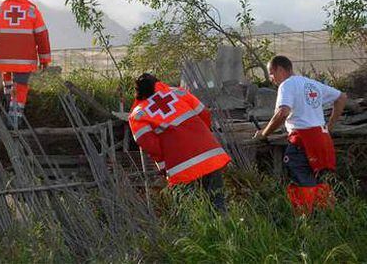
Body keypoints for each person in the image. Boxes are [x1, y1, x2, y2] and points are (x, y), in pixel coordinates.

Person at [254, 55, 347, 214]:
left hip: (303, 142)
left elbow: (282, 112)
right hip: (323, 140)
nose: (271, 78)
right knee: (320, 181)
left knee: (302, 182)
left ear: (280, 69)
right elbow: (342, 97)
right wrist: (329, 126)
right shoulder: (311, 84)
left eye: (271, 73)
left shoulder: (287, 85)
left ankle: (305, 221)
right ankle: (326, 218)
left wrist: (264, 133)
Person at [128, 73, 231, 213]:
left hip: (180, 165)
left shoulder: (138, 114)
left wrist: (164, 164)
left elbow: (149, 144)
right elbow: (204, 113)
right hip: (208, 155)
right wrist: (201, 135)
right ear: (158, 82)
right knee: (217, 202)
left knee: (190, 210)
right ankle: (224, 231)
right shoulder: (179, 92)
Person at [0, 0, 51, 129]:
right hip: (25, 59)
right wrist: (44, 59)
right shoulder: (32, 12)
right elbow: (42, 36)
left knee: (8, 75)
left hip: (3, 59)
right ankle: (15, 119)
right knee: (21, 86)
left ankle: (7, 101)